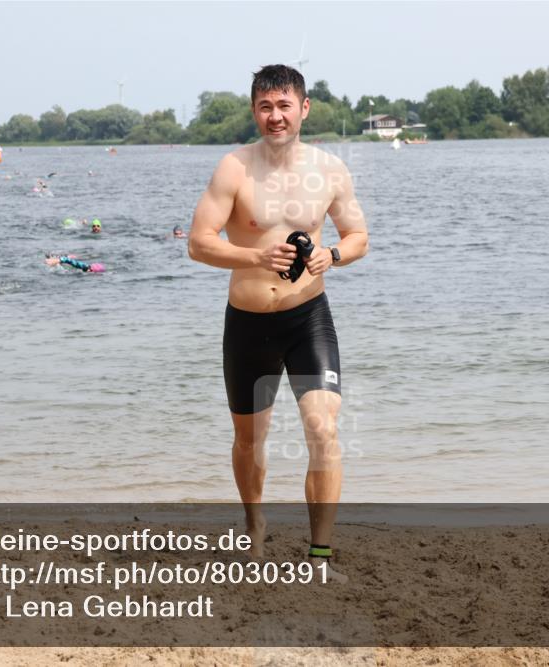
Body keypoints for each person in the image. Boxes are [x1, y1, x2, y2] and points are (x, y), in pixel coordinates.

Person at [188, 64, 368, 581]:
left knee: (323, 428)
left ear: (304, 109)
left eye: (285, 105)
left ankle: (320, 554)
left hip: (307, 319)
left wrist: (330, 255)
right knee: (249, 441)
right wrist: (255, 257)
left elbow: (359, 237)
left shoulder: (330, 170)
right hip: (247, 325)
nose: (275, 116)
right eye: (265, 106)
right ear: (254, 110)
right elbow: (199, 242)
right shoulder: (234, 169)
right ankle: (254, 524)